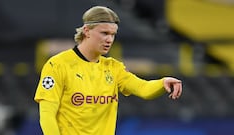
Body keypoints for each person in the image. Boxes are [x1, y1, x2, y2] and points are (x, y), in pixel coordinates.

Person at [34, 6, 182, 135]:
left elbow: (143, 89)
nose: (110, 40)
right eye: (104, 33)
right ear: (87, 31)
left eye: (113, 35)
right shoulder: (57, 65)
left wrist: (163, 82)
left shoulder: (113, 68)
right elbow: (47, 114)